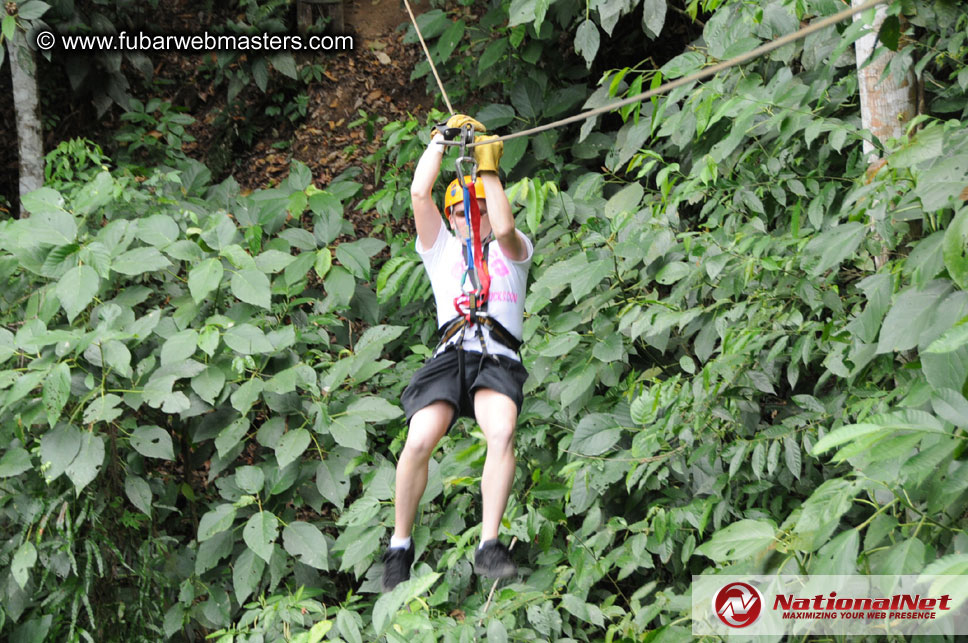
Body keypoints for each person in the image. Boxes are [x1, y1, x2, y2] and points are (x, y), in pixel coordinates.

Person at [381, 115, 533, 592]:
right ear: (450, 217)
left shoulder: (513, 251)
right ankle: (399, 547)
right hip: (451, 352)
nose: (473, 217)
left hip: (496, 355)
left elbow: (504, 226)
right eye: (464, 211)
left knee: (502, 431)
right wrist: (442, 140)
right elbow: (418, 193)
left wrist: (487, 168)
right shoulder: (441, 249)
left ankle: (489, 544)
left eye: (480, 209)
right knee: (418, 440)